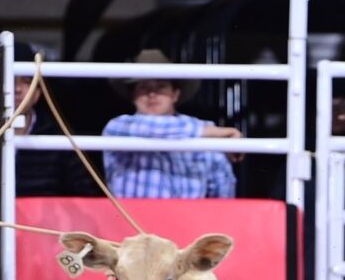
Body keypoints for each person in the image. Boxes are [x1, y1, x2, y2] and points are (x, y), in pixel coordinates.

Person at [102, 49, 241, 198]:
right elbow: (155, 129)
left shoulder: (206, 130)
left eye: (160, 86)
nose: (152, 94)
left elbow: (222, 184)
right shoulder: (118, 126)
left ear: (175, 94)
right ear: (133, 96)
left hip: (188, 218)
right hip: (130, 217)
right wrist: (221, 133)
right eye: (143, 87)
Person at [12, 42, 100, 197]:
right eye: (10, 80)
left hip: (40, 221)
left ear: (38, 93)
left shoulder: (56, 136)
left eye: (26, 81)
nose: (17, 89)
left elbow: (86, 193)